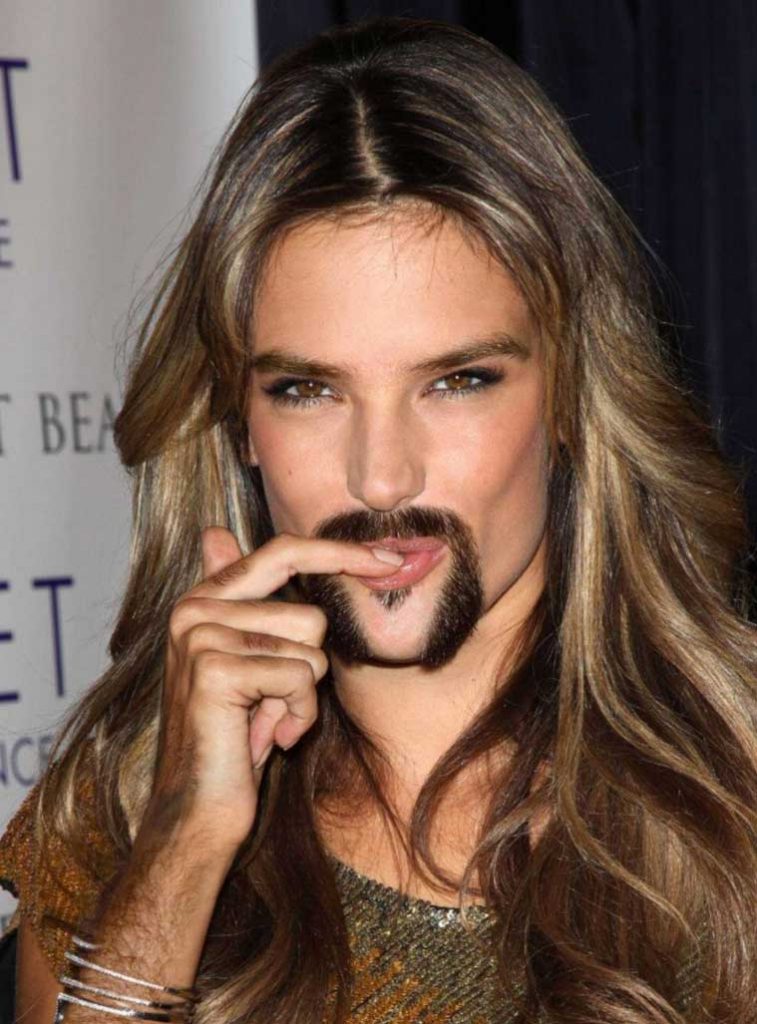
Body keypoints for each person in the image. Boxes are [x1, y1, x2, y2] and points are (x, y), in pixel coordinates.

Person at [1, 15, 755, 1024]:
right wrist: (182, 846)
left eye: (457, 380)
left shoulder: (731, 803)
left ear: (571, 398)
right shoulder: (124, 804)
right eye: (309, 390)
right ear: (238, 422)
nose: (381, 476)